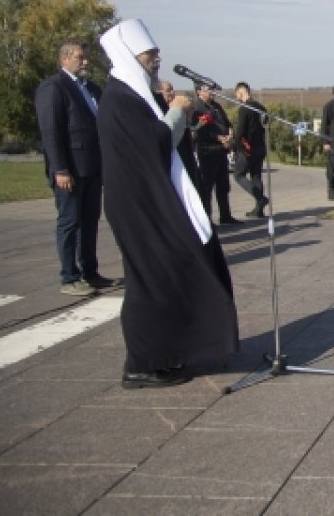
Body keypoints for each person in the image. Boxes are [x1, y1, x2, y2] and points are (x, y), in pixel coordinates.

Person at [97, 19, 238, 389]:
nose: (156, 58)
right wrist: (177, 110)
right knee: (149, 282)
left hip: (149, 200)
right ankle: (140, 365)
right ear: (129, 55)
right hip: (137, 205)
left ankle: (167, 353)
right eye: (149, 53)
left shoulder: (133, 95)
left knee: (167, 274)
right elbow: (156, 143)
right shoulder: (119, 99)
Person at [34, 38, 117, 296]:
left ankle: (90, 272)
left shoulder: (91, 88)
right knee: (70, 223)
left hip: (93, 167)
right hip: (70, 170)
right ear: (65, 59)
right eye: (80, 57)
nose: (85, 62)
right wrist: (60, 169)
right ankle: (69, 276)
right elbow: (51, 132)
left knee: (90, 222)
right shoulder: (54, 88)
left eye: (85, 57)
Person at [191, 83, 239, 224]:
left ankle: (226, 216)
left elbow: (227, 123)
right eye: (208, 89)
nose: (212, 92)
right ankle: (206, 219)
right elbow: (201, 130)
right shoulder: (197, 108)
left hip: (222, 150)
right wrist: (219, 138)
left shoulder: (216, 106)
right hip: (208, 151)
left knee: (223, 185)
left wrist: (229, 135)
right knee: (207, 187)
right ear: (199, 92)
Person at [231, 82, 269, 218]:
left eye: (237, 95)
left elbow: (240, 131)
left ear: (241, 92)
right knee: (256, 176)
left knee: (238, 175)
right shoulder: (261, 108)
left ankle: (260, 198)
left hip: (248, 148)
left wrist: (236, 148)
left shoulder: (244, 109)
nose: (237, 98)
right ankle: (259, 210)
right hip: (260, 147)